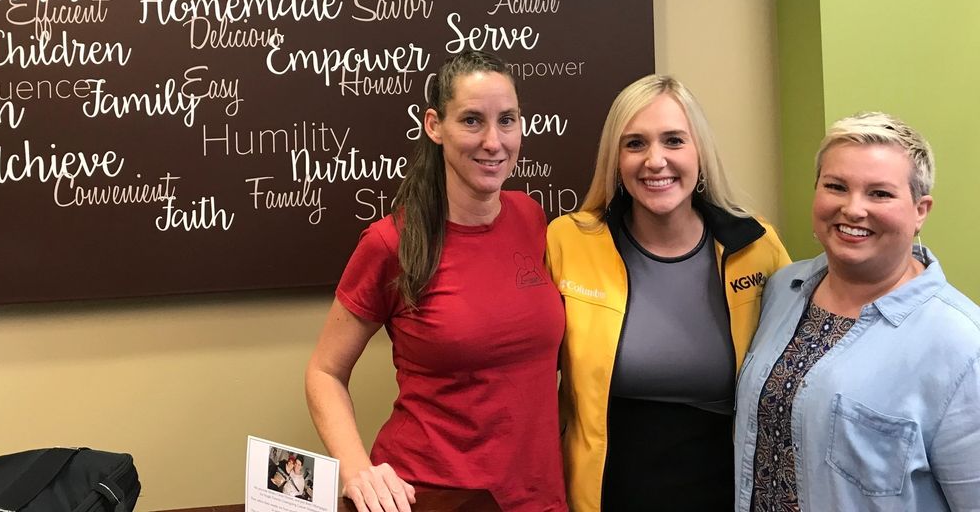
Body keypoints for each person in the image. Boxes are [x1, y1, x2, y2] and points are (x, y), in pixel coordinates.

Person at [305, 50, 567, 512]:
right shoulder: (391, 243)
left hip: (539, 498)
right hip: (432, 497)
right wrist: (356, 469)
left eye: (507, 120)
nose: (493, 140)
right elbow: (324, 372)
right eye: (471, 120)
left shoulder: (531, 218)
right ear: (434, 125)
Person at [546, 74, 790, 511]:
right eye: (635, 144)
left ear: (700, 152)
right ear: (615, 159)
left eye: (674, 141)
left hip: (725, 490)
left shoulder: (756, 246)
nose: (654, 160)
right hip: (605, 493)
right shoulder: (568, 242)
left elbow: (799, 364)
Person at [734, 112, 980, 511]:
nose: (853, 209)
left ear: (921, 210)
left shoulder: (961, 345)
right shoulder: (783, 290)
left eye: (879, 194)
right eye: (836, 186)